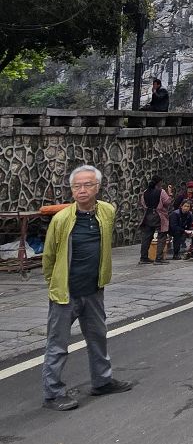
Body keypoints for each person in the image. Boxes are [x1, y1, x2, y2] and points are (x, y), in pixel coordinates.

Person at [40, 165, 134, 410]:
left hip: (93, 290)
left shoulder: (107, 211)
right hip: (65, 293)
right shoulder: (61, 219)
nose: (81, 190)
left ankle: (102, 382)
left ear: (97, 187)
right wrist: (55, 283)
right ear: (72, 190)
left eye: (87, 185)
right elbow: (48, 257)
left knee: (98, 338)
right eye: (76, 186)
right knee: (57, 345)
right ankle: (53, 394)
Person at [139, 174, 171, 264]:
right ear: (159, 182)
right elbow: (167, 202)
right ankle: (159, 258)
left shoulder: (145, 192)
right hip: (159, 216)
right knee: (162, 235)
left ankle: (143, 257)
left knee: (146, 237)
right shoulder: (161, 192)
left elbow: (143, 203)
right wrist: (170, 194)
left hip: (148, 215)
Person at [169, 192, 193, 260]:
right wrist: (184, 231)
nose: (186, 208)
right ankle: (176, 254)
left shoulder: (189, 214)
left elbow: (190, 224)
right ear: (181, 206)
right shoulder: (175, 214)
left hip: (183, 228)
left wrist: (191, 230)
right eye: (185, 206)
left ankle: (192, 251)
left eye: (188, 207)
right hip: (172, 229)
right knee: (177, 234)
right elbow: (174, 226)